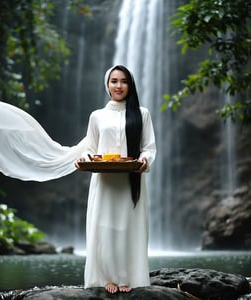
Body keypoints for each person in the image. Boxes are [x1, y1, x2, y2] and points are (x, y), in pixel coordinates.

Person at [75, 65, 156, 293]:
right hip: (105, 181)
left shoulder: (142, 113)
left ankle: (127, 277)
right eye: (114, 81)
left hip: (131, 180)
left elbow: (149, 147)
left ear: (130, 85)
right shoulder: (97, 116)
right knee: (104, 227)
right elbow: (89, 148)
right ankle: (105, 278)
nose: (119, 86)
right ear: (107, 85)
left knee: (130, 227)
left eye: (124, 81)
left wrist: (144, 160)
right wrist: (83, 159)